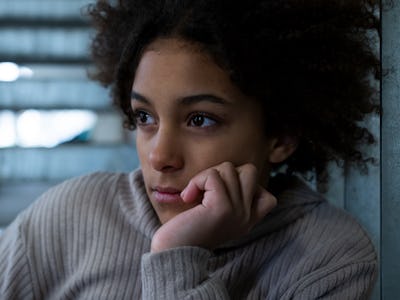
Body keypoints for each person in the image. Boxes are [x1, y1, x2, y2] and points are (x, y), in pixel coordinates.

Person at [0, 0, 380, 299]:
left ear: (281, 136)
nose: (159, 156)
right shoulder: (67, 218)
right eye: (145, 117)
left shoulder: (331, 258)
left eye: (199, 119)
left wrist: (176, 255)